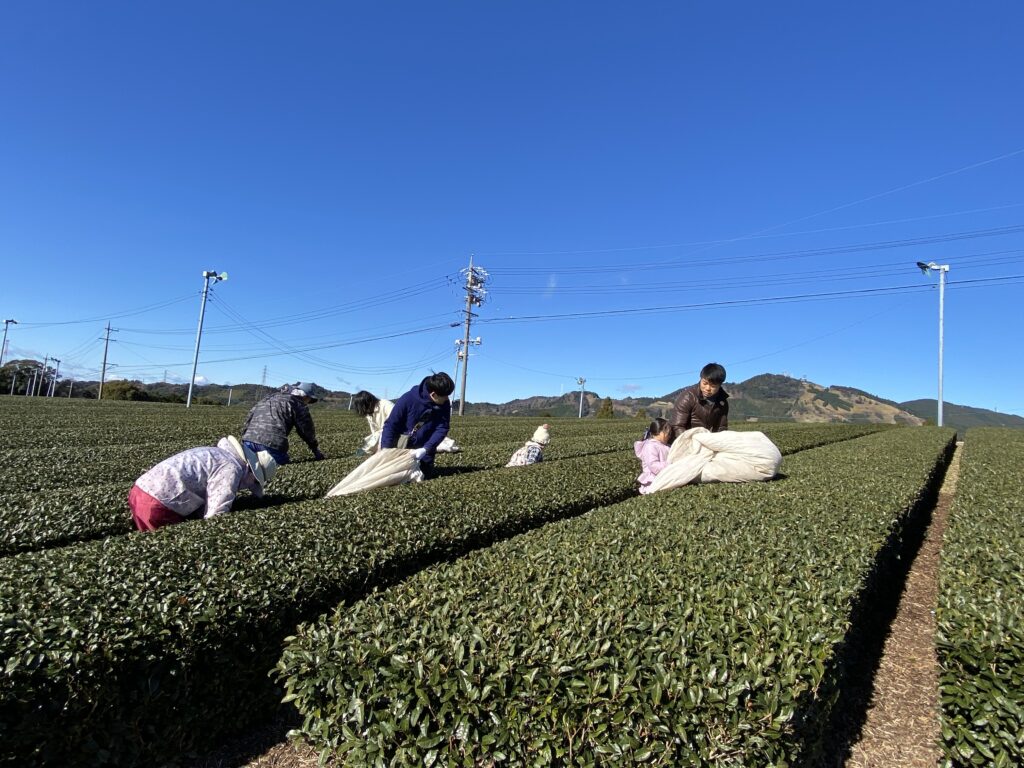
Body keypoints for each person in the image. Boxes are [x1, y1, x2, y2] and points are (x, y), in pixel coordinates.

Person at [129, 436, 277, 531]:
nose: (248, 486)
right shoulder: (231, 469)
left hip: (140, 489)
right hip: (158, 503)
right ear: (251, 471)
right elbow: (216, 510)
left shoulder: (218, 453)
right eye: (254, 482)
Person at [380, 372, 455, 478]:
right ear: (433, 394)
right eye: (444, 396)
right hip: (403, 446)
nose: (447, 399)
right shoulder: (408, 399)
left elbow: (442, 427)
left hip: (424, 448)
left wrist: (426, 449)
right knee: (395, 477)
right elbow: (391, 425)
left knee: (425, 475)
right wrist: (386, 450)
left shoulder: (444, 403)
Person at [241, 381, 325, 465]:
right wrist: (315, 450)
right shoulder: (298, 403)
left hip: (248, 441)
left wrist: (245, 436)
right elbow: (306, 430)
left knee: (249, 466)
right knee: (278, 464)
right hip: (271, 444)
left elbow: (249, 418)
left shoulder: (269, 398)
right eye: (309, 400)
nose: (308, 402)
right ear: (305, 396)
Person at [670, 362, 729, 439]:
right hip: (682, 441)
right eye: (705, 383)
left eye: (713, 386)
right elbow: (677, 426)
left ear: (720, 385)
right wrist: (690, 443)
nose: (707, 388)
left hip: (703, 441)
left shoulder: (722, 403)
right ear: (700, 378)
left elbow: (720, 429)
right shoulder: (688, 397)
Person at [634, 417, 673, 494]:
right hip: (653, 482)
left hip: (665, 478)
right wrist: (671, 465)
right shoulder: (650, 446)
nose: (669, 435)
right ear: (660, 432)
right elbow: (654, 466)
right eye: (667, 432)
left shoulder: (666, 446)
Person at [352, 390, 395, 455]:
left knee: (376, 440)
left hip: (394, 432)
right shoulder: (369, 412)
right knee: (369, 440)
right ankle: (367, 450)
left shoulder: (386, 405)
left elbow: (394, 424)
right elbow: (374, 431)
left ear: (367, 403)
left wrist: (380, 443)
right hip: (382, 433)